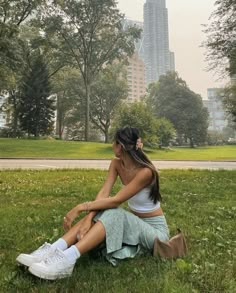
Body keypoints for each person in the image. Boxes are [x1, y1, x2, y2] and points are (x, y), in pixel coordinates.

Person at [16, 127, 169, 280]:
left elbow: (116, 200)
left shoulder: (145, 172)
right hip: (135, 225)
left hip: (155, 233)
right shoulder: (116, 164)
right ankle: (55, 248)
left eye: (113, 142)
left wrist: (81, 207)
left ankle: (68, 258)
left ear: (120, 146)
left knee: (115, 212)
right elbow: (104, 193)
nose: (111, 145)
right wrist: (89, 218)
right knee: (106, 210)